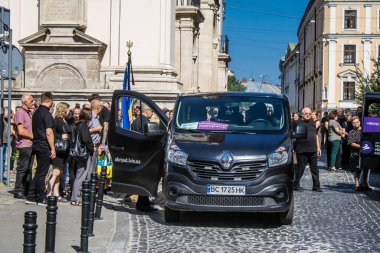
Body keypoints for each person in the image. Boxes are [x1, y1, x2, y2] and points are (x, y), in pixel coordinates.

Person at [26, 92, 55, 206]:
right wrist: (52, 148)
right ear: (50, 100)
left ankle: (31, 196)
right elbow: (49, 132)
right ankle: (42, 197)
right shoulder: (46, 114)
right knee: (42, 173)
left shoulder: (36, 113)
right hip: (44, 146)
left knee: (39, 172)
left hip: (37, 144)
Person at [131, 104, 156, 211]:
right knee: (145, 179)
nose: (152, 113)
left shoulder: (136, 121)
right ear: (146, 111)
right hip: (145, 154)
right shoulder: (144, 121)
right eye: (151, 111)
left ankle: (145, 202)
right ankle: (142, 204)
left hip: (138, 153)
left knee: (143, 179)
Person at [293, 107, 322, 192]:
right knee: (300, 169)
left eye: (309, 113)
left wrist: (318, 147)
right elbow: (292, 136)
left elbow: (316, 135)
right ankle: (295, 184)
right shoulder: (297, 123)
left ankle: (316, 186)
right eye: (306, 113)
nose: (308, 115)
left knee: (315, 169)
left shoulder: (313, 123)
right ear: (302, 114)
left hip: (312, 150)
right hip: (302, 150)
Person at [48, 102, 71, 202]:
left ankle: (56, 194)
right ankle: (49, 193)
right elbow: (51, 134)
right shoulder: (56, 120)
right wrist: (60, 136)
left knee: (59, 173)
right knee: (56, 172)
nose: (69, 111)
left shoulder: (64, 120)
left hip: (64, 151)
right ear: (63, 109)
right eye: (67, 109)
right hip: (58, 150)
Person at [71, 108, 94, 205]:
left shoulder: (79, 125)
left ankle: (77, 197)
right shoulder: (83, 125)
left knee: (81, 175)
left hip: (79, 154)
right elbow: (86, 139)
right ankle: (76, 198)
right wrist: (92, 148)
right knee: (81, 176)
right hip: (83, 154)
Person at [13, 94, 35, 199]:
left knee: (29, 169)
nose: (33, 102)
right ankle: (18, 190)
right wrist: (33, 136)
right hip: (24, 145)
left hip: (30, 144)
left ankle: (26, 189)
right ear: (25, 102)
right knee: (22, 168)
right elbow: (21, 131)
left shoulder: (29, 112)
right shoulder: (20, 112)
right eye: (31, 100)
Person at [347, 116, 363, 191]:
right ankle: (357, 184)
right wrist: (361, 146)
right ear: (352, 124)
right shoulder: (351, 132)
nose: (356, 124)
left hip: (365, 153)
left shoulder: (364, 130)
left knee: (365, 168)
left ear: (359, 122)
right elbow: (351, 143)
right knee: (357, 169)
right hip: (355, 154)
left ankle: (365, 183)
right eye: (354, 123)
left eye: (357, 122)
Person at [1, 107, 15, 181]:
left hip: (6, 141)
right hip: (1, 141)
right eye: (7, 112)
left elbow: (14, 121)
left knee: (3, 159)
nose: (8, 114)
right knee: (1, 159)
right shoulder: (1, 119)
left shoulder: (9, 120)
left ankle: (2, 174)